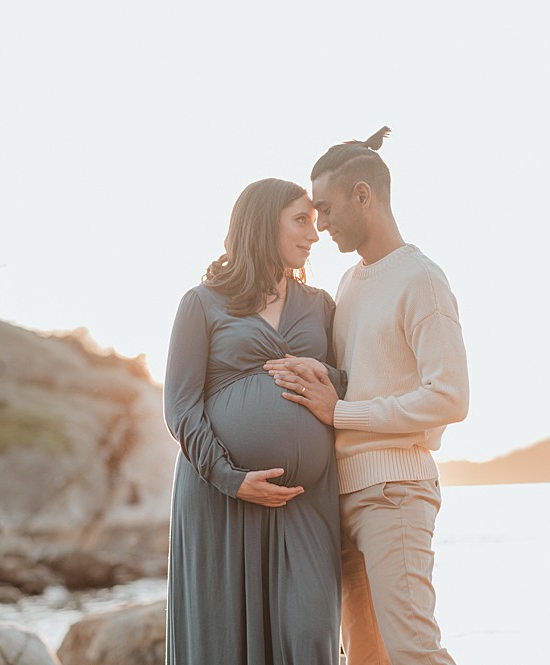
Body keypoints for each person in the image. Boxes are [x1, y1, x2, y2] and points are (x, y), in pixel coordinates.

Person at [265, 128, 470, 665]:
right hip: (343, 493)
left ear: (364, 195)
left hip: (396, 492)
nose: (321, 224)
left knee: (413, 652)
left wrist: (342, 410)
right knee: (366, 659)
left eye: (328, 208)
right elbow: (355, 381)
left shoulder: (421, 279)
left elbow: (450, 398)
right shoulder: (350, 285)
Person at [163, 177, 347, 665]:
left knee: (312, 633)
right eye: (301, 220)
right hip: (221, 497)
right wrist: (231, 478)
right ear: (264, 224)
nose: (314, 233)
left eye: (314, 221)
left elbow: (349, 385)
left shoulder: (321, 306)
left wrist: (322, 372)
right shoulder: (202, 303)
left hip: (305, 501)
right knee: (224, 644)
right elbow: (180, 405)